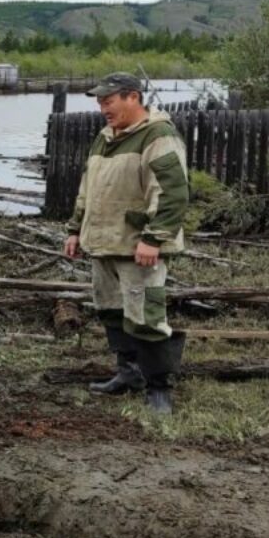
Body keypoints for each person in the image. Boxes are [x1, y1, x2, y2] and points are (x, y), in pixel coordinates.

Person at [63, 72, 189, 414]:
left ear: (133, 97)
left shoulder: (158, 136)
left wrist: (154, 238)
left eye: (109, 100)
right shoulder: (105, 137)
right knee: (112, 311)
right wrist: (75, 229)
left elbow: (172, 193)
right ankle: (128, 374)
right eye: (100, 102)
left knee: (146, 316)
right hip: (103, 242)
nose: (103, 107)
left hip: (139, 247)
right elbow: (87, 188)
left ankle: (159, 387)